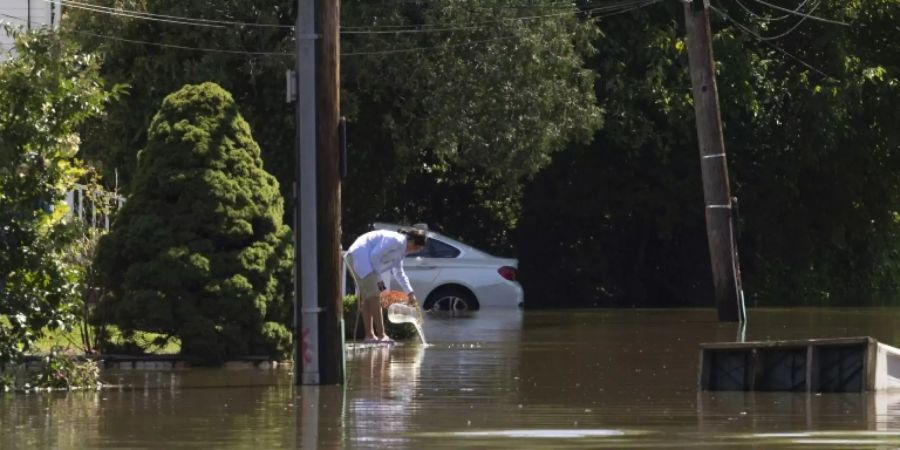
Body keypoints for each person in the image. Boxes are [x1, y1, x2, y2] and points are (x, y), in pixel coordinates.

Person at [346, 227, 427, 343]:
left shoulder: (401, 250)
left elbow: (399, 273)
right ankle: (381, 336)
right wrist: (379, 280)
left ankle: (370, 336)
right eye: (417, 248)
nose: (415, 251)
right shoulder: (396, 240)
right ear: (412, 242)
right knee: (374, 296)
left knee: (368, 298)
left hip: (361, 260)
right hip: (359, 257)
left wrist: (410, 293)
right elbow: (374, 255)